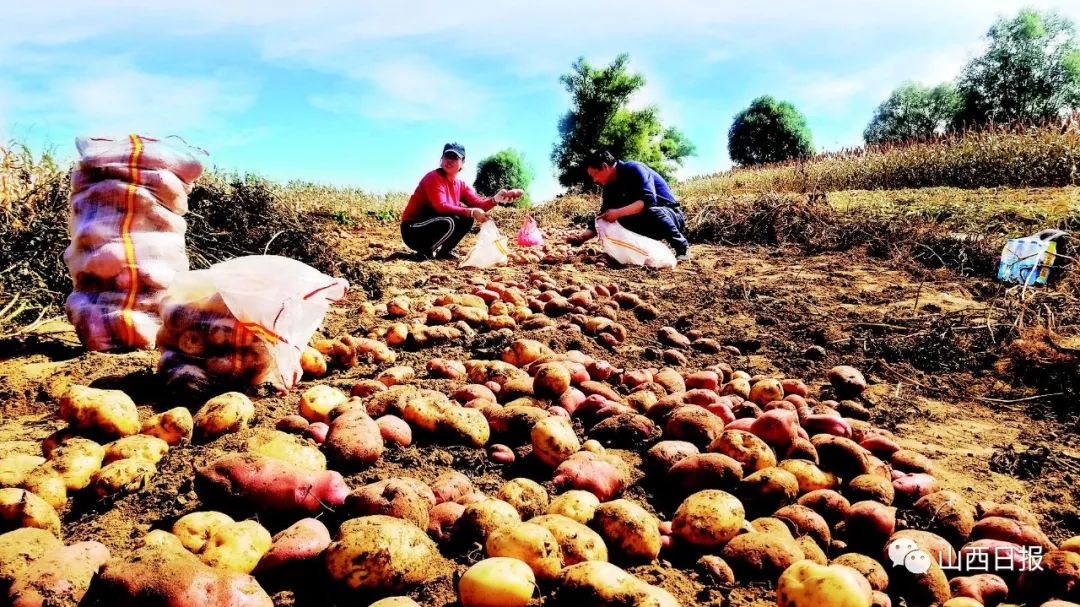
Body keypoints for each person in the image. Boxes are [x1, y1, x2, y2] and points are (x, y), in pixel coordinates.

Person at [400, 142, 523, 259]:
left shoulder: (461, 185)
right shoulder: (433, 177)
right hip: (413, 229)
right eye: (447, 156)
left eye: (455, 157)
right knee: (450, 221)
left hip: (434, 224)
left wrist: (497, 198)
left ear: (462, 162)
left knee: (466, 219)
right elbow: (440, 206)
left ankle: (444, 252)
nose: (449, 160)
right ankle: (425, 252)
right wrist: (471, 211)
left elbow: (479, 205)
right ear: (441, 159)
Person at [566, 150, 691, 261]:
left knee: (649, 211)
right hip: (646, 221)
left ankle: (682, 248)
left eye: (594, 174)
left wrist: (617, 213)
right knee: (610, 219)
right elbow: (603, 215)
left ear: (605, 167)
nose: (594, 180)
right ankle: (634, 253)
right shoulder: (609, 187)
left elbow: (648, 201)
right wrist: (581, 238)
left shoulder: (634, 169)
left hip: (670, 215)